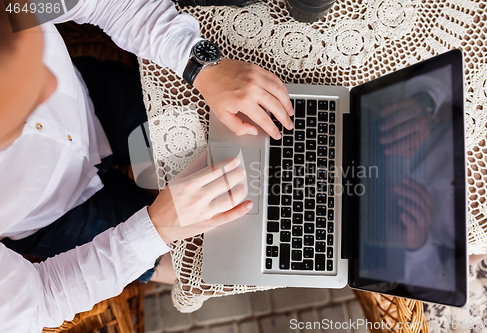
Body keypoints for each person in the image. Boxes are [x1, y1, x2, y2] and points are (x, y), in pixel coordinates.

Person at [0, 0, 293, 330]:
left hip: (94, 103)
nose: (51, 86)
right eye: (24, 105)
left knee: (235, 151)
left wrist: (201, 66)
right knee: (200, 261)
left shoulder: (15, 8)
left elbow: (110, 5)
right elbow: (41, 300)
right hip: (55, 216)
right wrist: (157, 229)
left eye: (37, 61)